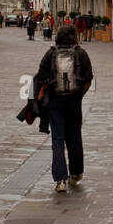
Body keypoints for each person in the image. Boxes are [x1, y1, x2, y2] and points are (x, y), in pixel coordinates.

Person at [35, 25, 93, 193]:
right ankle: (75, 173)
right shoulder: (81, 53)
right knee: (75, 137)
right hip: (74, 102)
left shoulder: (51, 52)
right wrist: (79, 95)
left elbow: (40, 76)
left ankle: (60, 180)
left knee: (58, 140)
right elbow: (88, 78)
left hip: (55, 102)